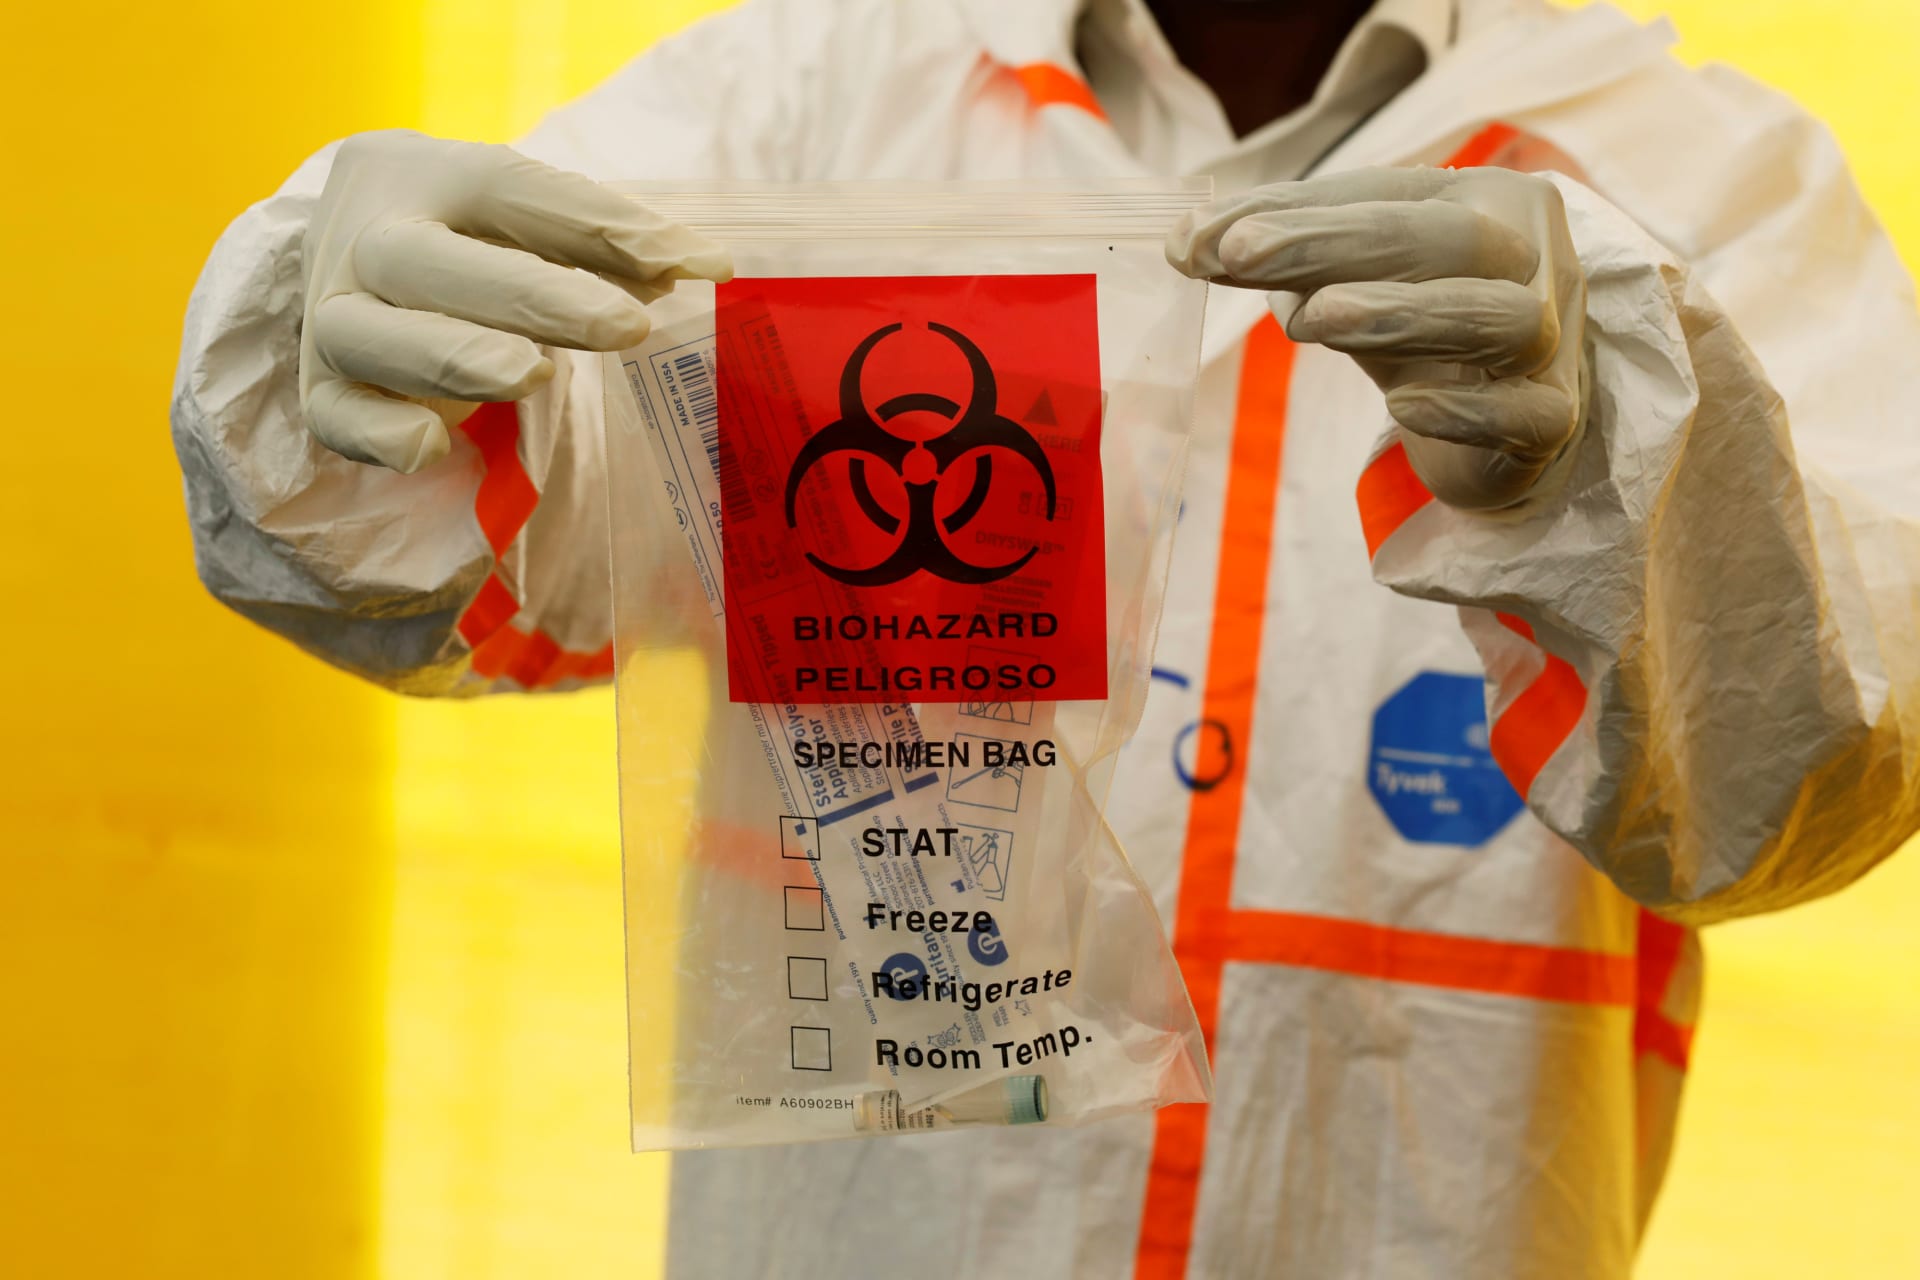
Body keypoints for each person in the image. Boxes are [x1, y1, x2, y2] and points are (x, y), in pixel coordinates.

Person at [169, 0, 1920, 1275]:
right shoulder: (805, 92)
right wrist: (322, 352)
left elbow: (1797, 791)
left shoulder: (1703, 173)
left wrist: (1626, 474)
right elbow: (448, 569)